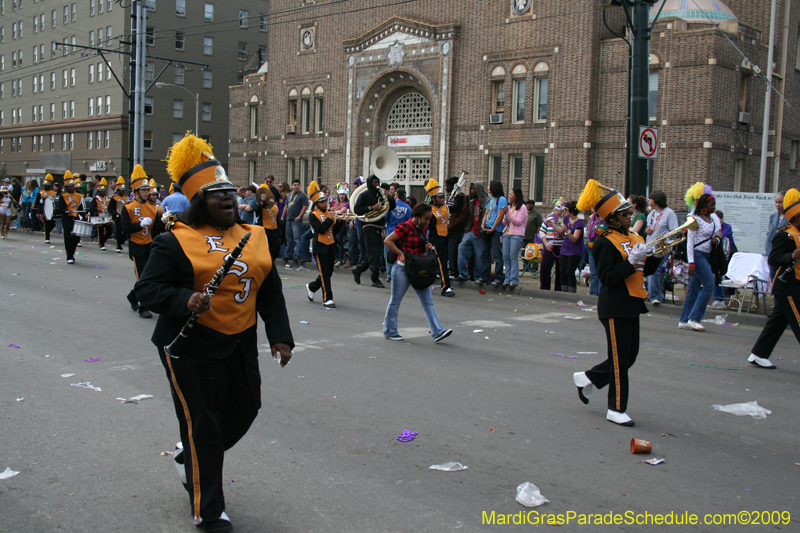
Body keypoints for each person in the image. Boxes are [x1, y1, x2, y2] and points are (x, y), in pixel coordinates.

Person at [135, 134, 294, 532]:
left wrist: (280, 336)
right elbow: (146, 290)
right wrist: (183, 299)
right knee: (203, 425)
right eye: (216, 195)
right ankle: (209, 512)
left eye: (230, 193)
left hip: (239, 342)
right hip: (188, 346)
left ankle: (189, 455)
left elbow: (270, 290)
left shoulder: (253, 237)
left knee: (246, 409)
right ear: (198, 203)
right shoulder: (174, 241)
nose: (228, 200)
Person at [572, 180, 662, 427]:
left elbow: (645, 269)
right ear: (612, 217)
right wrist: (630, 262)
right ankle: (616, 408)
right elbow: (608, 278)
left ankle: (587, 377)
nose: (629, 217)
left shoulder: (633, 236)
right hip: (614, 306)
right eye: (624, 214)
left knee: (629, 356)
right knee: (621, 360)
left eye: (629, 213)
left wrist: (658, 256)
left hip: (633, 302)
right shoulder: (603, 241)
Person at [383, 203, 453, 343]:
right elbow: (388, 240)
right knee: (395, 301)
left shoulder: (422, 228)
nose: (427, 222)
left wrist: (426, 246)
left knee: (428, 302)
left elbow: (421, 245)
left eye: (429, 219)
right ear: (417, 216)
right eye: (426, 219)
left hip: (418, 269)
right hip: (403, 268)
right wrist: (400, 253)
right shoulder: (405, 227)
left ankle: (437, 332)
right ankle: (390, 330)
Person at [746, 189, 800, 370]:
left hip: (796, 285)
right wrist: (791, 255)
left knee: (778, 322)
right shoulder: (784, 234)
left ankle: (759, 354)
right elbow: (774, 258)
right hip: (788, 286)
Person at [121, 165, 165, 319]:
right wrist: (139, 225)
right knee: (143, 278)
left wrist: (164, 220)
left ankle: (133, 296)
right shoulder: (128, 208)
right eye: (144, 190)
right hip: (137, 246)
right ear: (136, 192)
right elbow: (124, 228)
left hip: (151, 245)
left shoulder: (155, 208)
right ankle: (143, 307)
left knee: (150, 277)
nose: (147, 192)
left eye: (148, 190)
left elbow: (158, 228)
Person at [678, 183, 720, 332]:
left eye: (714, 204)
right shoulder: (694, 219)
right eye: (711, 204)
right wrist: (691, 263)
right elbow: (690, 242)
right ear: (704, 205)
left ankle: (683, 319)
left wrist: (716, 240)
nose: (714, 207)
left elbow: (715, 235)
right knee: (709, 285)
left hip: (706, 255)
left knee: (694, 288)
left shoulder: (711, 219)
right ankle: (694, 318)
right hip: (697, 254)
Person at [305, 182, 345, 308]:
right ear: (316, 204)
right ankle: (327, 299)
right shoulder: (313, 215)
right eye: (322, 202)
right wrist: (330, 218)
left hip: (331, 245)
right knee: (325, 274)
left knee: (328, 273)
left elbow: (335, 230)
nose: (325, 204)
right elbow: (321, 229)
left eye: (325, 201)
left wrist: (339, 221)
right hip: (320, 246)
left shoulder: (330, 213)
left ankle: (312, 286)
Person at [352, 175, 396, 288]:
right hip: (368, 225)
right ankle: (375, 279)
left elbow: (392, 207)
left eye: (378, 182)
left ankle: (358, 269)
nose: (376, 184)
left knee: (373, 253)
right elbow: (357, 209)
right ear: (370, 183)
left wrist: (389, 197)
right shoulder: (364, 195)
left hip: (379, 226)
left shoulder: (381, 194)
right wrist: (371, 208)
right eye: (374, 182)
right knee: (375, 253)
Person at [644, 190, 679, 305]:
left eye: (651, 198)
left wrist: (666, 241)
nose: (648, 200)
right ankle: (655, 296)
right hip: (650, 246)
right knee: (650, 270)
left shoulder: (669, 213)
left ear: (657, 200)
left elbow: (674, 231)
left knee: (655, 269)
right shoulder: (651, 214)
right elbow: (652, 228)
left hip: (663, 247)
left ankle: (655, 296)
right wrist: (647, 231)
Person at [426, 179, 454, 296]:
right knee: (442, 263)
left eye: (443, 197)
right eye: (440, 198)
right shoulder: (429, 211)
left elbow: (458, 208)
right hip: (435, 239)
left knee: (436, 263)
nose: (443, 200)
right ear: (433, 199)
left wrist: (461, 195)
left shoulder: (445, 207)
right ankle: (445, 287)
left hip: (445, 237)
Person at [456, 181, 489, 282]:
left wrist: (483, 231)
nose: (471, 191)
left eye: (473, 189)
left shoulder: (485, 201)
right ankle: (463, 274)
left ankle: (478, 276)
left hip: (480, 232)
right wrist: (467, 229)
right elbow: (469, 216)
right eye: (471, 189)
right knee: (461, 248)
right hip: (470, 231)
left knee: (479, 255)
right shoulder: (470, 200)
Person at [480, 180, 508, 286]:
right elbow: (487, 213)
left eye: (489, 186)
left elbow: (500, 216)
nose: (488, 187)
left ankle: (499, 277)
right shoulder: (490, 200)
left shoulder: (501, 200)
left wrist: (493, 228)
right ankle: (484, 276)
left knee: (496, 254)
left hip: (496, 231)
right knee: (484, 253)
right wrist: (483, 224)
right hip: (487, 228)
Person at [501, 188, 528, 290]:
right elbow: (505, 222)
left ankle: (513, 280)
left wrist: (508, 214)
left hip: (516, 234)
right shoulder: (510, 206)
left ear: (516, 196)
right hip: (507, 233)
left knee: (513, 257)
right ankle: (506, 279)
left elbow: (518, 222)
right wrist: (505, 215)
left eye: (511, 194)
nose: (510, 196)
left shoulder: (523, 208)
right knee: (506, 257)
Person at [710, 210, 737, 309]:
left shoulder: (727, 227)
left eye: (719, 220)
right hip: (717, 252)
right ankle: (717, 296)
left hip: (728, 253)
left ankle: (723, 295)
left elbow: (722, 236)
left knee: (722, 273)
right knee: (715, 274)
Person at [384, 189, 411, 282]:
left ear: (397, 195)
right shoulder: (408, 208)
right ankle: (400, 275)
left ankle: (389, 275)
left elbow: (385, 218)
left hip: (390, 234)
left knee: (388, 256)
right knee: (400, 256)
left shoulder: (390, 205)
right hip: (402, 235)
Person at [539, 199, 566, 291]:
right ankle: (544, 288)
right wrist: (546, 243)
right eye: (556, 207)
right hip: (550, 247)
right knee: (545, 268)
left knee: (560, 270)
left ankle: (558, 290)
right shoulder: (549, 218)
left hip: (561, 248)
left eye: (559, 208)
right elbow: (542, 232)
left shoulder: (565, 221)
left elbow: (564, 233)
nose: (556, 209)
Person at [281, 179, 309, 269]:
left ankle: (297, 255)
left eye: (297, 185)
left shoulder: (303, 195)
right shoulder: (289, 195)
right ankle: (289, 255)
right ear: (292, 186)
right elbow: (286, 206)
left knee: (297, 238)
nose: (296, 186)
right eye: (294, 185)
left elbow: (305, 207)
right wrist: (282, 216)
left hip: (296, 220)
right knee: (289, 238)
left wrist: (299, 217)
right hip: (288, 219)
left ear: (300, 186)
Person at [558, 200, 584, 293]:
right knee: (562, 271)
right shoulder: (565, 219)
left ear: (572, 211)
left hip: (574, 251)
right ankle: (564, 291)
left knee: (570, 272)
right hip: (564, 249)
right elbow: (561, 232)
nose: (565, 211)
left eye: (566, 209)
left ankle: (571, 292)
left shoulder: (579, 223)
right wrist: (552, 224)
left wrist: (567, 231)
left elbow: (574, 239)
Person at [56, 172, 83, 263]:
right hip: (67, 219)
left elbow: (81, 208)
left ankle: (72, 253)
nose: (72, 188)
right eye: (70, 186)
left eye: (73, 186)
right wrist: (67, 210)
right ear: (66, 187)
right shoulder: (62, 197)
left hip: (76, 219)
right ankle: (69, 256)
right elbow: (59, 210)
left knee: (76, 238)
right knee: (68, 238)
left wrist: (85, 215)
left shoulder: (78, 196)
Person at [445, 176, 468, 278]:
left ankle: (454, 271)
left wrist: (452, 225)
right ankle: (450, 270)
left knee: (453, 251)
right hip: (447, 228)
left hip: (454, 229)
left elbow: (461, 213)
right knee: (448, 251)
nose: (446, 188)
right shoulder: (449, 197)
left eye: (447, 186)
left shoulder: (460, 197)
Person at [255, 185, 281, 260]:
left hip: (274, 230)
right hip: (264, 229)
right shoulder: (260, 206)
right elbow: (256, 212)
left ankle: (272, 260)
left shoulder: (275, 207)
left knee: (276, 248)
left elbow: (277, 219)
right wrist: (262, 202)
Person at [89, 178, 113, 250]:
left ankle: (103, 241)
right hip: (99, 216)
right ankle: (102, 245)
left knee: (109, 231)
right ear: (99, 191)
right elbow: (92, 208)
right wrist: (96, 209)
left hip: (106, 216)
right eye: (101, 191)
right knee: (100, 231)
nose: (103, 192)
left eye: (104, 191)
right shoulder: (96, 198)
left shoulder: (107, 198)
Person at [33, 174, 58, 243]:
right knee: (46, 224)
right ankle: (47, 238)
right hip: (44, 210)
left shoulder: (53, 193)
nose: (45, 186)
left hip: (52, 210)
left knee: (52, 224)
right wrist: (40, 210)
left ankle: (47, 232)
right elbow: (37, 202)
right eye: (44, 185)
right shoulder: (40, 192)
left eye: (46, 185)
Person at [330, 183, 350, 266]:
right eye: (340, 194)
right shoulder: (336, 203)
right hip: (334, 224)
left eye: (343, 194)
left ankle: (340, 258)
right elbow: (330, 210)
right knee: (334, 241)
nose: (342, 196)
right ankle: (335, 257)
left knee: (340, 242)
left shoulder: (346, 204)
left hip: (341, 224)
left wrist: (334, 212)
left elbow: (342, 211)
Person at [110, 177, 129, 253]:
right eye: (121, 190)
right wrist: (115, 214)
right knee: (118, 231)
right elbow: (110, 208)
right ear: (118, 190)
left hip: (124, 217)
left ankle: (121, 242)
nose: (123, 191)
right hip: (117, 217)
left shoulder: (126, 198)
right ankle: (118, 245)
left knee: (125, 231)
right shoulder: (114, 198)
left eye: (123, 190)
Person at [765, 191, 786, 255]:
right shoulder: (773, 216)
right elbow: (769, 232)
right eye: (776, 202)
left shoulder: (791, 217)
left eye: (780, 202)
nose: (777, 205)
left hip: (783, 251)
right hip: (771, 250)